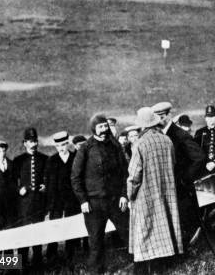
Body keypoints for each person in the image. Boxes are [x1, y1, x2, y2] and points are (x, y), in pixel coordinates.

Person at [71, 114, 129, 274]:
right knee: (96, 242)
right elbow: (75, 177)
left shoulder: (116, 145)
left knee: (129, 232)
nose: (104, 130)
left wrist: (124, 195)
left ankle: (140, 266)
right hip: (93, 204)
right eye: (100, 127)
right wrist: (83, 200)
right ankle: (96, 271)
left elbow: (125, 172)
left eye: (105, 126)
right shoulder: (85, 148)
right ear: (93, 129)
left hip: (116, 201)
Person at [127, 107, 183, 273]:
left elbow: (134, 176)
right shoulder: (167, 140)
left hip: (146, 194)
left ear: (142, 126)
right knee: (164, 226)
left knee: (146, 230)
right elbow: (173, 164)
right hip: (167, 191)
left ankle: (145, 268)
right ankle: (162, 265)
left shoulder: (140, 144)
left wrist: (130, 195)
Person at [152, 101, 205, 248]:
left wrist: (184, 179)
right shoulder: (160, 134)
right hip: (169, 187)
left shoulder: (179, 134)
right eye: (155, 117)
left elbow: (199, 158)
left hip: (181, 188)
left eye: (162, 116)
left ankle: (189, 249)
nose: (158, 120)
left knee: (186, 219)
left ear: (169, 115)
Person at [14, 127, 48, 269]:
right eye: (30, 141)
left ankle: (38, 263)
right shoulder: (18, 160)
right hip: (24, 206)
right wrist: (18, 189)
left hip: (39, 204)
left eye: (35, 141)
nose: (33, 144)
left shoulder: (44, 159)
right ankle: (21, 265)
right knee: (24, 235)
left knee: (38, 235)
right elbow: (12, 181)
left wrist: (45, 186)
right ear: (24, 143)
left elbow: (48, 178)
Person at [45, 131, 81, 265]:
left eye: (64, 144)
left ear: (68, 144)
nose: (61, 148)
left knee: (72, 227)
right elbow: (49, 184)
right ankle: (51, 256)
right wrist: (50, 204)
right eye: (58, 145)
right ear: (55, 146)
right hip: (57, 202)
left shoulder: (75, 157)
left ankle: (70, 256)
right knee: (54, 227)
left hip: (72, 200)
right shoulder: (51, 160)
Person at [0, 141, 18, 230]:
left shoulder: (12, 164)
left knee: (12, 226)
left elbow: (15, 182)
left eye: (3, 151)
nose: (2, 154)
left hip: (11, 202)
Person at [194, 105, 215, 175]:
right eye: (208, 117)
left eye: (212, 117)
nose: (210, 119)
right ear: (205, 118)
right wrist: (205, 162)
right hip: (202, 166)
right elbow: (195, 150)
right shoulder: (199, 132)